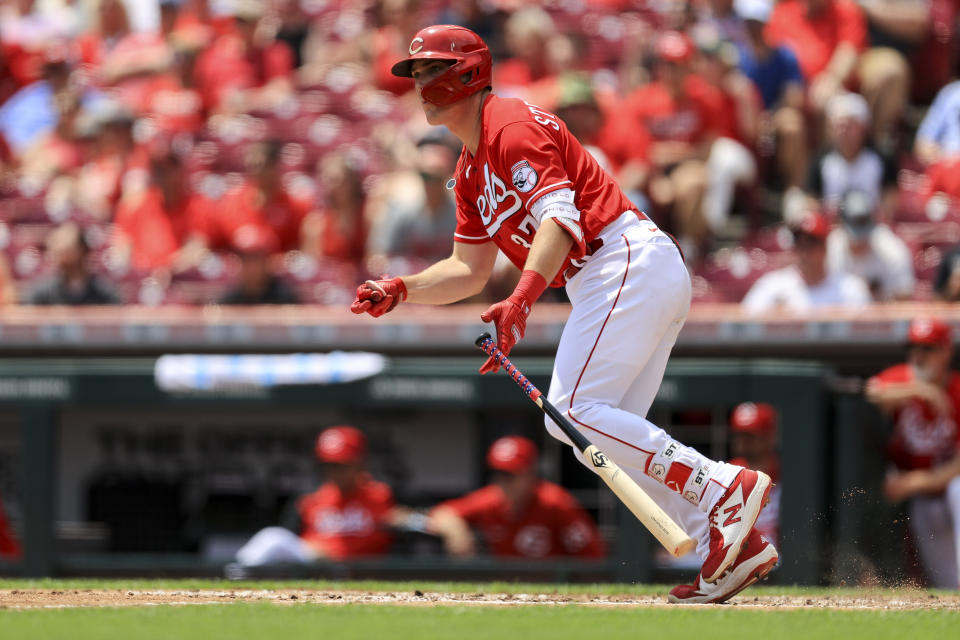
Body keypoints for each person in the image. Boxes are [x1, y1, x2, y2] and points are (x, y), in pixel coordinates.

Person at [351, 25, 777, 604]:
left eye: (430, 70)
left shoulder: (510, 125)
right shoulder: (471, 168)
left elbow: (561, 220)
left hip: (619, 260)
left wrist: (523, 297)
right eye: (416, 72)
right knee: (600, 433)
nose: (419, 83)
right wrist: (401, 287)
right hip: (620, 275)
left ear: (468, 72)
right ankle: (729, 543)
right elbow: (469, 270)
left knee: (569, 413)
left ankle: (723, 484)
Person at [865, 316, 960, 588]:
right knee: (948, 585)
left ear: (946, 352)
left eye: (928, 349)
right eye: (914, 348)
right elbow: (869, 392)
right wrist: (921, 390)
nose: (918, 356)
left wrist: (920, 480)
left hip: (945, 488)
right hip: (920, 500)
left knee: (958, 488)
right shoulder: (902, 379)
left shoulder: (957, 390)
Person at [230, 425, 396, 572]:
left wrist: (405, 519)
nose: (333, 472)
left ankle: (237, 577)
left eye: (341, 465)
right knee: (273, 537)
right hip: (313, 567)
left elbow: (401, 527)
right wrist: (314, 549)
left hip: (357, 569)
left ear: (360, 463)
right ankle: (236, 583)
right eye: (328, 465)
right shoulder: (311, 498)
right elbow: (290, 537)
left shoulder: (380, 495)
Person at [426, 435, 605, 559]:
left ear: (530, 474)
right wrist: (455, 529)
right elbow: (441, 512)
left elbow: (592, 557)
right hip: (509, 591)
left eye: (510, 475)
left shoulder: (555, 503)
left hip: (554, 592)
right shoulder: (491, 499)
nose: (502, 482)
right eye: (498, 474)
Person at [741, 210, 871, 312]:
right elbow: (743, 324)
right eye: (800, 245)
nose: (804, 253)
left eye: (811, 245)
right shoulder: (773, 286)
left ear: (825, 247)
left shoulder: (850, 289)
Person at [825, 190, 914, 302]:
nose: (860, 240)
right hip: (841, 316)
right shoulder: (830, 249)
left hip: (883, 318)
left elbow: (904, 301)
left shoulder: (893, 250)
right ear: (841, 224)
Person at [24, 222, 120, 305]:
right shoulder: (42, 293)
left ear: (82, 251)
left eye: (68, 251)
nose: (63, 257)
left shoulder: (103, 291)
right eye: (59, 252)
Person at [728, 403, 781, 547]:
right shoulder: (729, 473)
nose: (741, 441)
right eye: (738, 434)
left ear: (769, 437)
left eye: (749, 436)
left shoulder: (784, 472)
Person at [218, 225, 300, 305]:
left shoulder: (284, 296)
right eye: (243, 257)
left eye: (255, 257)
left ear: (266, 260)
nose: (249, 265)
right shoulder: (230, 299)